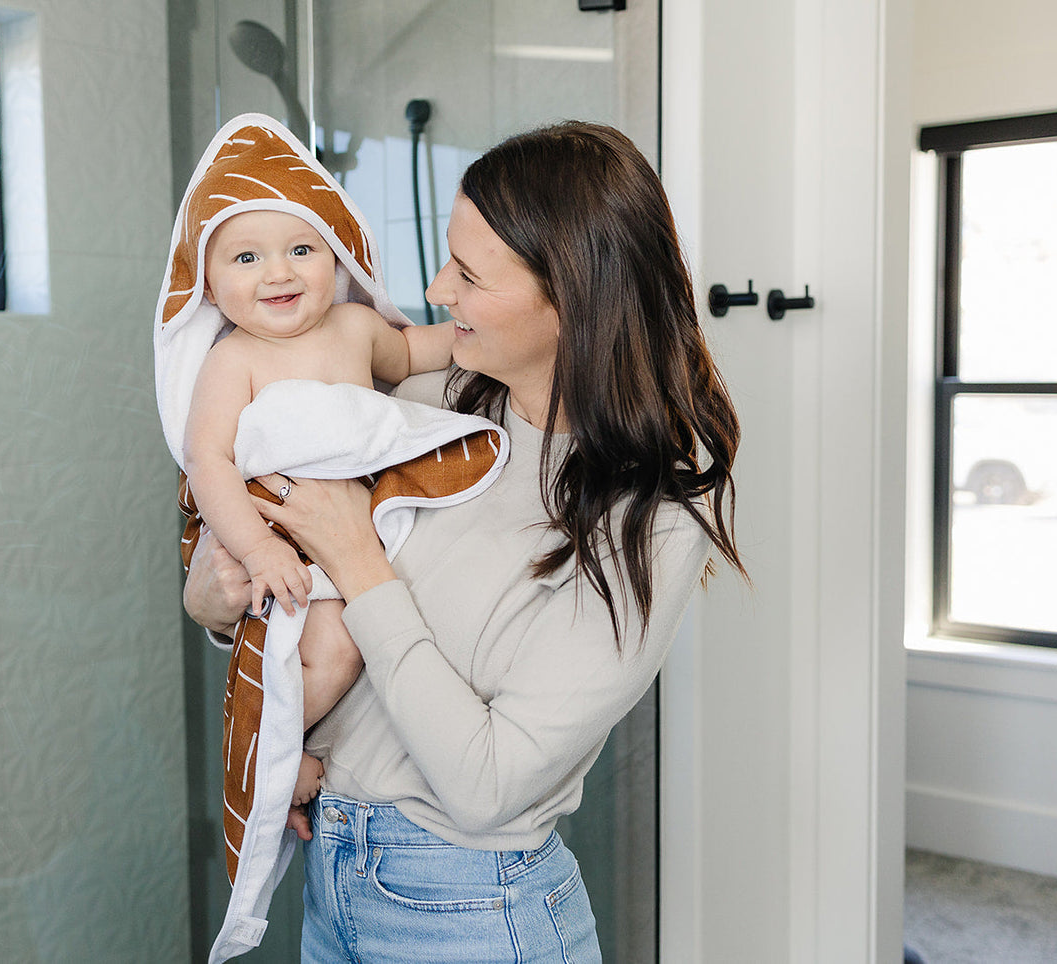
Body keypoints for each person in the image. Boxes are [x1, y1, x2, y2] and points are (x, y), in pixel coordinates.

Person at [183, 119, 745, 963]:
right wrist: (214, 595)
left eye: (470, 274)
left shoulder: (647, 523)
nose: (437, 287)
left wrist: (359, 564)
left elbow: (486, 787)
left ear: (573, 297)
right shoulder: (417, 398)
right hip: (331, 870)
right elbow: (255, 575)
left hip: (472, 909)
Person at [182, 206, 455, 807]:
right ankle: (269, 753)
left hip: (359, 528)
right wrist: (257, 548)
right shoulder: (234, 359)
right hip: (282, 543)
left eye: (302, 250)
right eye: (247, 258)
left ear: (336, 258)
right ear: (207, 284)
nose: (279, 273)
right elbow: (210, 463)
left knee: (353, 654)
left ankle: (281, 743)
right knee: (333, 654)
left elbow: (410, 354)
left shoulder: (355, 325)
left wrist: (468, 334)